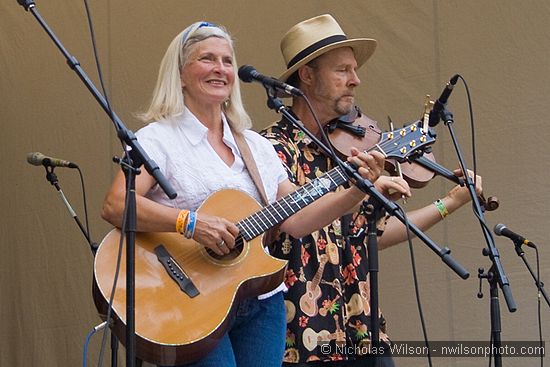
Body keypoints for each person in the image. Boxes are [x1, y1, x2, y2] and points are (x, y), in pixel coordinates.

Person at [101, 21, 387, 367]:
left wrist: (356, 188)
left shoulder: (253, 145)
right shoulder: (157, 139)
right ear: (179, 74)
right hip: (188, 299)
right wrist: (189, 223)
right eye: (207, 59)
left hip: (260, 300)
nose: (220, 68)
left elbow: (296, 220)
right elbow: (117, 205)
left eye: (226, 60)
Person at [259, 14, 483, 366]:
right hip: (302, 335)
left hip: (362, 330)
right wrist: (358, 189)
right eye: (343, 70)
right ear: (307, 74)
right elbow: (292, 224)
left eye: (354, 70)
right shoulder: (271, 149)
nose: (355, 80)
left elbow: (369, 237)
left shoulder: (349, 152)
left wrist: (449, 203)